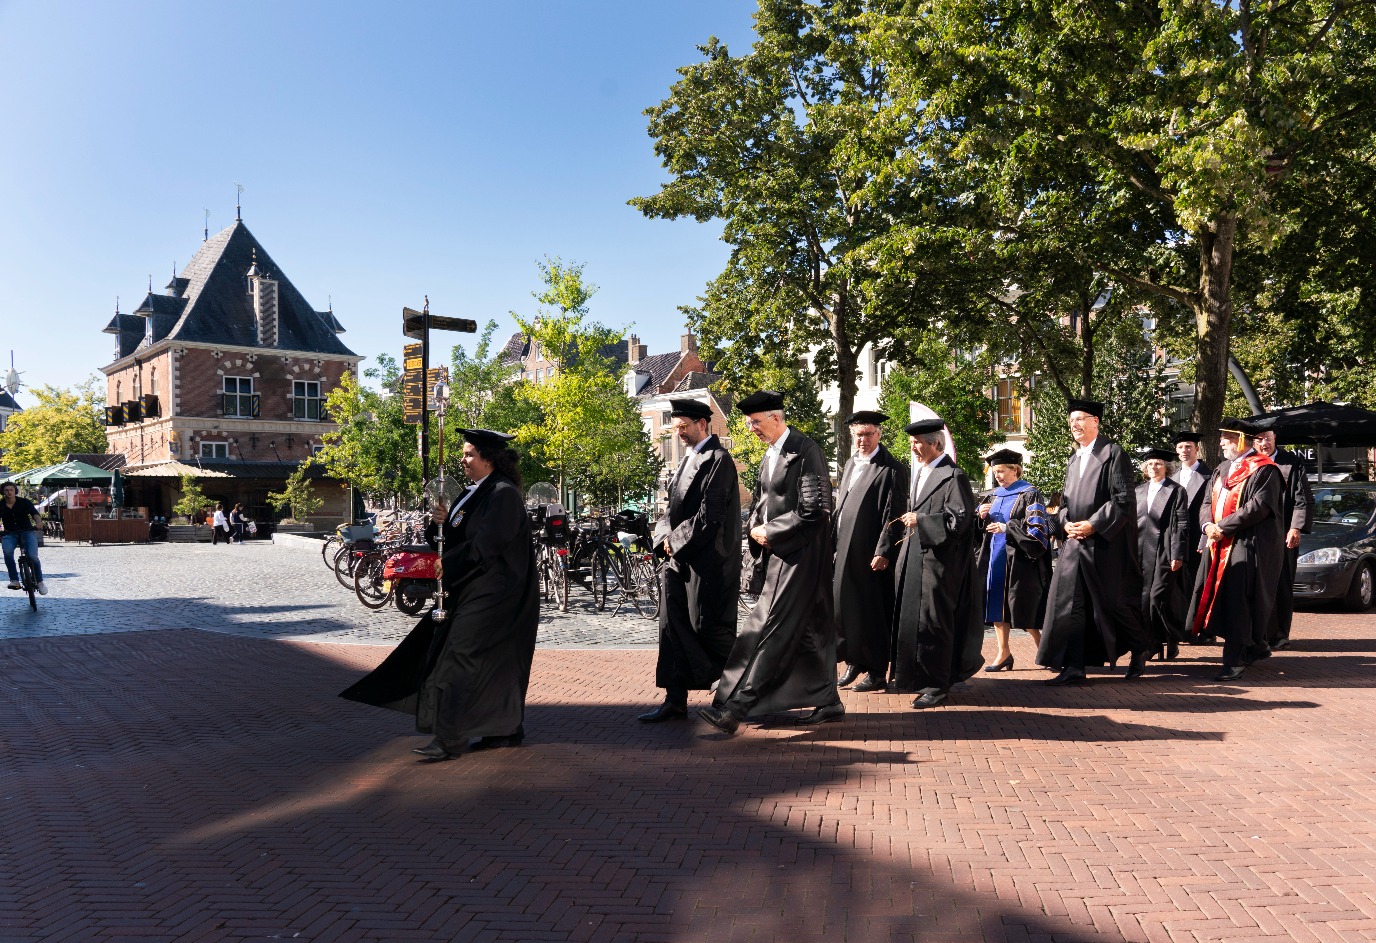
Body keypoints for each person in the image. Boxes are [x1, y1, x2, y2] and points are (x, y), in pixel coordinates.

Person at [340, 428, 540, 761]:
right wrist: (439, 524)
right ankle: (504, 728)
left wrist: (447, 564)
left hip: (498, 593)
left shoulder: (502, 494)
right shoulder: (472, 492)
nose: (463, 460)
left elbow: (488, 544)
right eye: (463, 453)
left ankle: (449, 737)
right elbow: (451, 535)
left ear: (490, 458)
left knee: (458, 658)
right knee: (495, 663)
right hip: (474, 587)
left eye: (469, 454)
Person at [698, 391, 841, 735]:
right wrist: (753, 527)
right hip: (781, 555)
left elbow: (817, 509)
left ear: (776, 418)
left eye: (756, 423)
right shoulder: (770, 455)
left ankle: (735, 708)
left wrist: (771, 532)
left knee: (770, 630)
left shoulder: (807, 451)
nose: (752, 430)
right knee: (807, 630)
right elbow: (764, 503)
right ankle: (829, 701)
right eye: (749, 424)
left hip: (802, 557)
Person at [640, 399, 741, 723]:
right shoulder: (687, 459)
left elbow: (710, 516)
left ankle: (732, 701)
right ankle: (675, 699)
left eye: (684, 427)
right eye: (676, 427)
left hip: (708, 563)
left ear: (702, 423)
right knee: (671, 629)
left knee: (711, 631)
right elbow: (670, 510)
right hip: (679, 560)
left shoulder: (718, 460)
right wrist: (662, 540)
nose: (679, 432)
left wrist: (675, 541)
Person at [1037, 399, 1151, 685]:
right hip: (1075, 544)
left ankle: (1140, 648)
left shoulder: (1113, 454)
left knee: (1113, 604)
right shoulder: (1074, 459)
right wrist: (1064, 523)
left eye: (1079, 419)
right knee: (1072, 604)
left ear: (1095, 421)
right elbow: (1064, 504)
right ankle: (1074, 666)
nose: (1074, 425)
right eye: (1071, 420)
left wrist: (1093, 524)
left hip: (1105, 546)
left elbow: (1123, 500)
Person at [890, 418, 984, 708]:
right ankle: (914, 677)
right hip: (917, 558)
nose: (914, 448)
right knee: (916, 622)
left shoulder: (953, 476)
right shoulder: (921, 473)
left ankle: (938, 684)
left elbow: (960, 521)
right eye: (911, 444)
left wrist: (922, 520)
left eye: (918, 443)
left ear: (936, 443)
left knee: (935, 623)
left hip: (940, 564)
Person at [1187, 420, 1283, 682]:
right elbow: (1206, 501)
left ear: (1241, 440)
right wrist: (1208, 525)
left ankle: (1236, 659)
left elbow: (1259, 507)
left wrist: (1223, 527)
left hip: (1248, 546)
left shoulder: (1265, 470)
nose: (1221, 442)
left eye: (1226, 438)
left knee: (1240, 601)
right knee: (1222, 599)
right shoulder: (1222, 469)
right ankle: (1255, 646)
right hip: (1218, 542)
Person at [832, 410, 908, 693]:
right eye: (858, 435)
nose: (862, 440)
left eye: (868, 434)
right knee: (847, 609)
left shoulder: (891, 468)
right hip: (845, 550)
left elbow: (895, 512)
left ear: (879, 434)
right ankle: (854, 661)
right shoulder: (851, 463)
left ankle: (876, 670)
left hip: (871, 552)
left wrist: (885, 550)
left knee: (874, 611)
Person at [975, 448, 1050, 672]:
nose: (997, 475)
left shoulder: (1029, 493)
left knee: (1021, 606)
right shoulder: (993, 495)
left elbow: (1037, 529)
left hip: (1019, 560)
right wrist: (980, 515)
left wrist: (1007, 527)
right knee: (996, 606)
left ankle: (1043, 649)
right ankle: (1003, 652)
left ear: (1014, 470)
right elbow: (977, 530)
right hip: (993, 558)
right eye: (995, 472)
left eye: (1001, 471)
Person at [1254, 429, 1313, 650]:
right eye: (1259, 440)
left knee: (1281, 583)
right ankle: (1258, 632)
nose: (1264, 443)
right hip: (1256, 535)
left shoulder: (1291, 463)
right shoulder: (1250, 464)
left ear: (1275, 439)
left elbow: (1303, 499)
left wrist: (1296, 527)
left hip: (1283, 534)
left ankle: (1279, 634)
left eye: (1267, 439)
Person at [1136, 448, 1188, 661]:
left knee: (1157, 596)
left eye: (1158, 463)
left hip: (1164, 549)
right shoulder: (1139, 491)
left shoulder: (1176, 490)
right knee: (1141, 599)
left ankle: (1166, 639)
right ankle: (1153, 641)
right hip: (1140, 550)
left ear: (1167, 467)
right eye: (1149, 464)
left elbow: (1182, 523)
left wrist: (1178, 552)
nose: (1153, 468)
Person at [1172, 431, 1213, 603]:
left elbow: (1212, 510)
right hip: (1175, 541)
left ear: (1197, 449)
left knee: (1196, 586)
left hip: (1197, 540)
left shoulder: (1210, 477)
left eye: (1188, 446)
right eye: (1180, 447)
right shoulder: (1171, 477)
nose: (1184, 450)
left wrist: (1205, 538)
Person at [1, 481, 47, 595]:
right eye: (6, 490)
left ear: (15, 491)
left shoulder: (24, 502)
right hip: (9, 533)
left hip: (27, 531)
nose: (9, 492)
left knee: (32, 556)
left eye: (11, 490)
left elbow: (34, 513)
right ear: (2, 492)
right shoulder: (0, 505)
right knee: (7, 553)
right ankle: (14, 580)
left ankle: (40, 581)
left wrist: (39, 522)